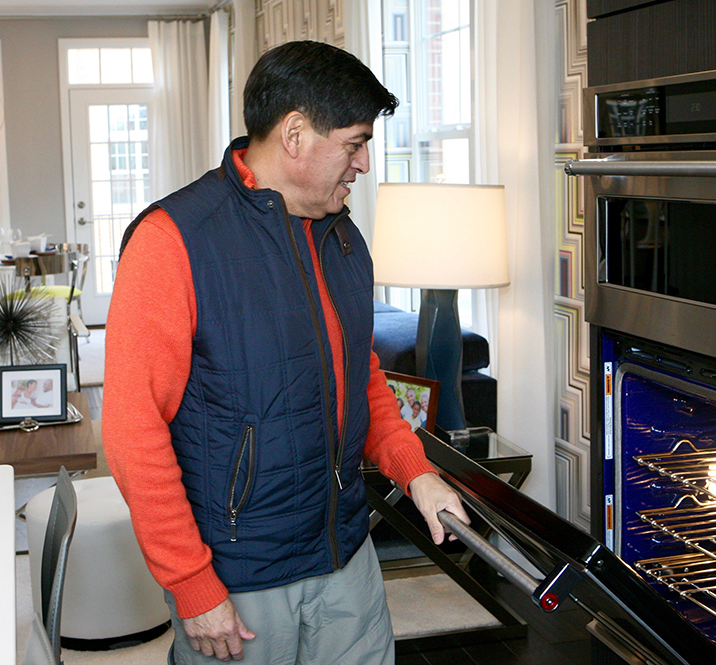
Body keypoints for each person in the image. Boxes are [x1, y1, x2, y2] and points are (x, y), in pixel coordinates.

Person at [102, 40, 470, 665]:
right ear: (295, 134)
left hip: (345, 549)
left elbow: (363, 377)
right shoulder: (173, 242)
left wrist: (418, 471)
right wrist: (191, 584)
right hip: (239, 573)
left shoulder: (343, 235)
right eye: (354, 143)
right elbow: (133, 431)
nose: (364, 165)